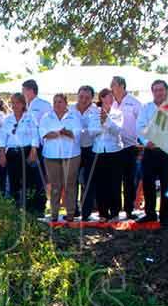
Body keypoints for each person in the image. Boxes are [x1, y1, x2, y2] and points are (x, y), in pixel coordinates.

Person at [137, 80, 168, 226]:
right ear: (152, 92)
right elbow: (140, 127)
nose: (159, 92)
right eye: (156, 90)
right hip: (150, 150)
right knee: (148, 183)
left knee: (167, 184)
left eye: (161, 90)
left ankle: (165, 217)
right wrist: (147, 142)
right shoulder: (146, 108)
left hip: (167, 151)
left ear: (166, 91)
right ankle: (150, 214)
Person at [0, 93, 45, 213]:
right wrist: (2, 154)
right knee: (13, 182)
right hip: (12, 153)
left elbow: (35, 135)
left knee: (29, 182)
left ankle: (30, 210)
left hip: (26, 151)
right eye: (12, 103)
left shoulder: (30, 117)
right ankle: (15, 209)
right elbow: (3, 138)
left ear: (23, 104)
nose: (15, 105)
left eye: (17, 103)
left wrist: (34, 151)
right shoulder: (8, 119)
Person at [39, 93, 80, 222]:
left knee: (70, 185)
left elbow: (77, 134)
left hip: (71, 155)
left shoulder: (74, 116)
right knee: (55, 186)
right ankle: (54, 214)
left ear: (66, 103)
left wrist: (64, 132)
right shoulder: (47, 117)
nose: (57, 104)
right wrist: (61, 133)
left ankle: (70, 213)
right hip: (51, 155)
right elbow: (43, 134)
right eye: (55, 102)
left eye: (60, 102)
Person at [87, 88, 126, 221]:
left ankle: (115, 212)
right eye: (107, 96)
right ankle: (103, 213)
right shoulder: (94, 113)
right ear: (102, 98)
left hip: (114, 151)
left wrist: (106, 121)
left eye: (112, 96)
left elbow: (117, 130)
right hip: (98, 151)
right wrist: (102, 124)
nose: (110, 98)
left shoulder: (118, 113)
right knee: (101, 183)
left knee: (114, 182)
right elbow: (91, 132)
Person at [109, 76, 143, 219]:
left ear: (122, 86)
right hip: (115, 146)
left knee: (129, 180)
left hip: (130, 146)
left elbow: (142, 124)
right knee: (115, 179)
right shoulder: (112, 104)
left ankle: (129, 209)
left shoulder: (134, 103)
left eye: (114, 85)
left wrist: (141, 143)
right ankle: (115, 210)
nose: (112, 88)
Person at [70, 85, 98, 219]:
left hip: (90, 149)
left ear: (92, 98)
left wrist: (79, 131)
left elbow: (95, 130)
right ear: (77, 96)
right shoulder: (69, 110)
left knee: (89, 180)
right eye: (81, 96)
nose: (83, 100)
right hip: (73, 148)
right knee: (72, 180)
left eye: (87, 97)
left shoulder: (96, 111)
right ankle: (73, 210)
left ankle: (86, 212)